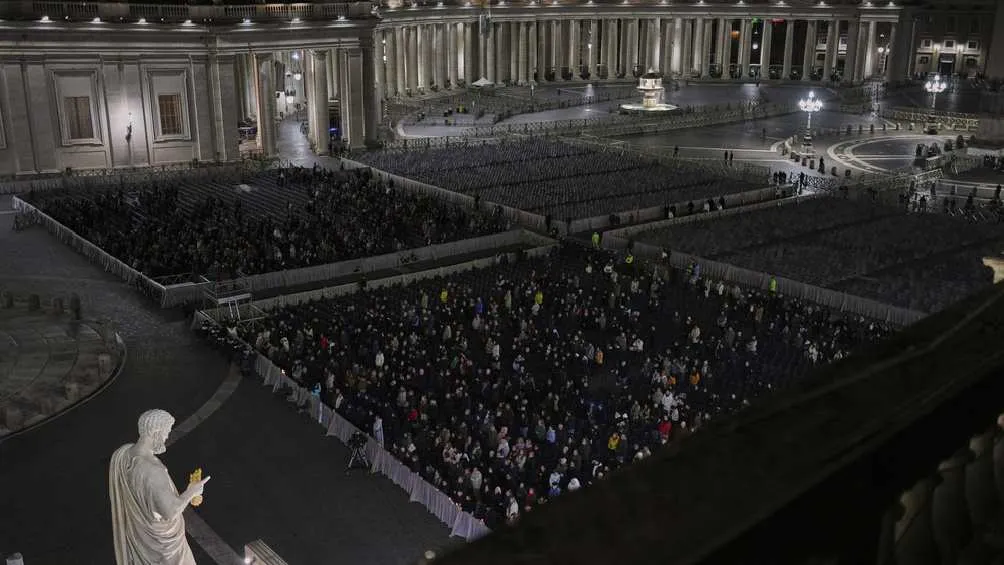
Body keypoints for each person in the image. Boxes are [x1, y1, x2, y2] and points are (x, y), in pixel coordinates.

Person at [109, 409, 210, 565]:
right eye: (166, 432)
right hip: (166, 550)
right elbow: (169, 512)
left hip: (143, 539)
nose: (166, 437)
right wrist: (191, 492)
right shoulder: (153, 470)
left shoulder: (124, 455)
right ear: (155, 431)